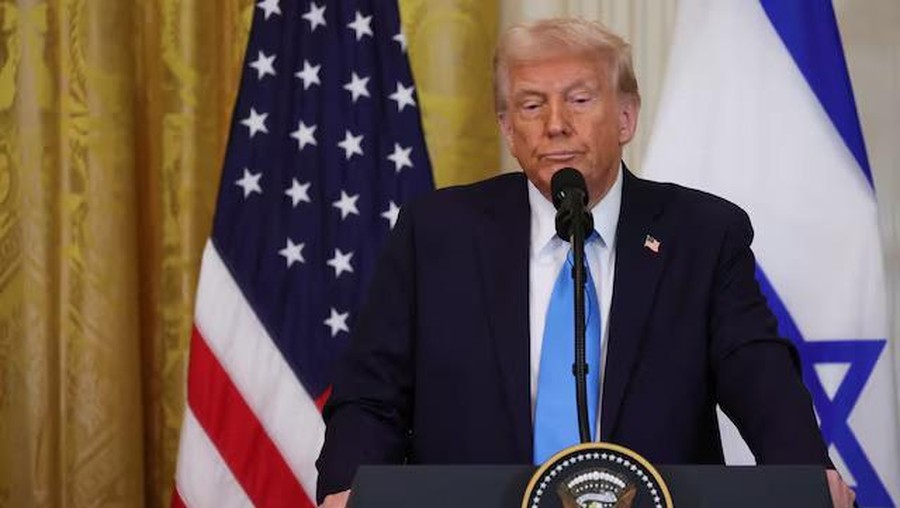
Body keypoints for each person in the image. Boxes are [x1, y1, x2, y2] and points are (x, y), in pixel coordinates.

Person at [316, 17, 854, 508]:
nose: (555, 125)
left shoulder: (702, 235)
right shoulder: (435, 233)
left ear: (625, 117)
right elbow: (371, 394)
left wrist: (807, 479)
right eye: (530, 105)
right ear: (507, 128)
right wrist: (347, 488)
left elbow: (760, 377)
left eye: (578, 100)